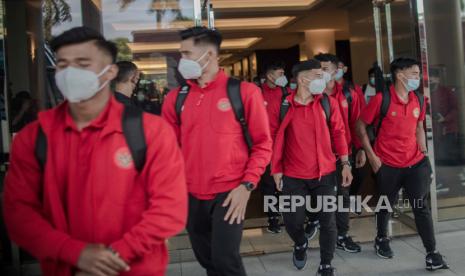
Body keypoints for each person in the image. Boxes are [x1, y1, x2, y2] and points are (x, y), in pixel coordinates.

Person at [3, 27, 188, 276]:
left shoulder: (150, 132)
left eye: (82, 63)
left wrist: (111, 258)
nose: (71, 73)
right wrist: (74, 253)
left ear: (110, 71)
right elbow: (19, 213)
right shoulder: (35, 138)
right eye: (62, 64)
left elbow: (170, 209)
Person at [162, 27, 272, 276]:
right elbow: (167, 150)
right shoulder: (175, 99)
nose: (182, 60)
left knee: (226, 262)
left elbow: (263, 144)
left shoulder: (243, 92)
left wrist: (247, 186)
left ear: (210, 55)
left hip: (230, 192)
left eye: (186, 53)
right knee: (208, 260)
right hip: (190, 194)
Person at [356, 57, 449, 271]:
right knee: (386, 204)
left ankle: (432, 253)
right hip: (387, 163)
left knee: (421, 207)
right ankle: (381, 238)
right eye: (415, 73)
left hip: (416, 163)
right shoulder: (382, 100)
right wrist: (371, 156)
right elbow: (361, 126)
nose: (419, 77)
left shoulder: (417, 98)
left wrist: (424, 153)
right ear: (400, 75)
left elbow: (418, 127)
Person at [271, 59, 352, 275]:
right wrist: (276, 170)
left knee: (328, 222)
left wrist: (345, 163)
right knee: (292, 221)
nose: (323, 79)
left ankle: (326, 264)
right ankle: (300, 242)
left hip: (325, 174)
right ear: (302, 78)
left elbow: (339, 133)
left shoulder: (327, 103)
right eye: (318, 75)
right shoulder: (284, 105)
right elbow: (274, 139)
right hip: (293, 175)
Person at [310, 53, 364, 253]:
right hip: (314, 157)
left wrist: (359, 150)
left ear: (335, 71)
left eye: (326, 69)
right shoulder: (308, 94)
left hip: (342, 155)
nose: (322, 73)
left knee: (342, 195)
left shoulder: (349, 94)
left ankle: (341, 235)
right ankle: (314, 219)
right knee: (314, 194)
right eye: (319, 69)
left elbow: (356, 123)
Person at [260, 61, 291, 234]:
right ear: (269, 75)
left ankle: (287, 214)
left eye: (283, 73)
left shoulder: (286, 93)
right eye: (279, 74)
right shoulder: (257, 93)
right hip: (265, 146)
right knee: (268, 184)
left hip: (285, 144)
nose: (282, 77)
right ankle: (272, 217)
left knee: (286, 183)